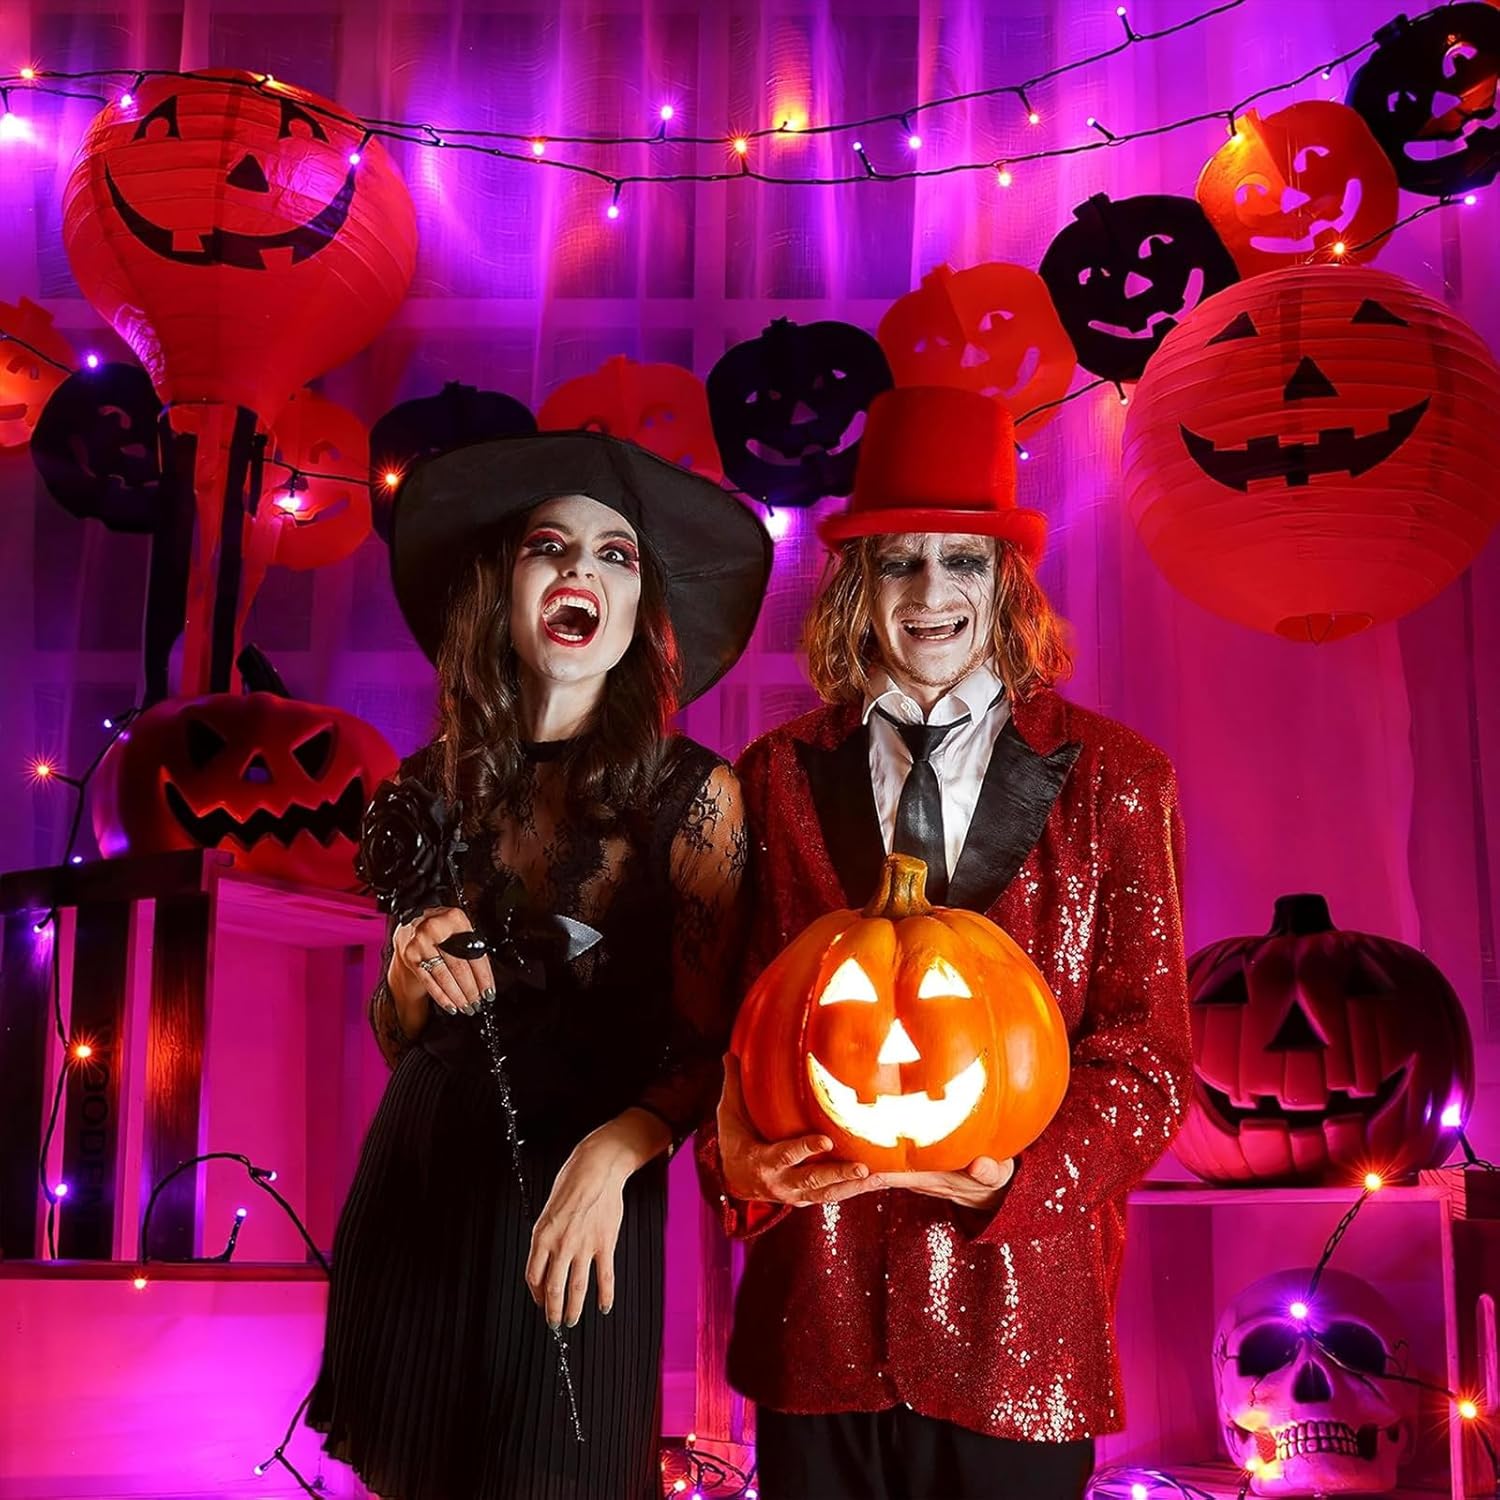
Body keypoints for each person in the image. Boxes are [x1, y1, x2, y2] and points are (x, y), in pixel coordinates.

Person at [698, 386, 1193, 1500]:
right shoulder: (771, 779)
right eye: (898, 563)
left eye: (962, 562)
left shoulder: (1119, 780)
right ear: (855, 586)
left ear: (1006, 583)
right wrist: (735, 1162)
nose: (930, 595)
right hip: (815, 1323)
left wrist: (1021, 1176)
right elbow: (728, 1029)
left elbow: (1150, 1059)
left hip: (1019, 1331)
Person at [310, 430, 771, 1500]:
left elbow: (714, 1048)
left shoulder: (696, 798)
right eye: (548, 546)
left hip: (586, 1204)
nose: (579, 569)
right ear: (503, 590)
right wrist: (408, 974)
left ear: (640, 609)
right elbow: (397, 1039)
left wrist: (615, 1156)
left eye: (615, 554)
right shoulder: (420, 790)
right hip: (422, 1186)